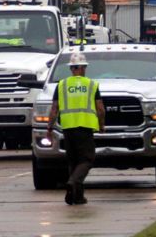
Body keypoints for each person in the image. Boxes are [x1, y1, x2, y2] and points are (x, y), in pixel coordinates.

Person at [46, 51, 106, 205]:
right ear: (83, 68)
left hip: (68, 127)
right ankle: (73, 182)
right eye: (84, 67)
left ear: (71, 68)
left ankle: (77, 197)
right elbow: (100, 108)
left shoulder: (62, 85)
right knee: (87, 159)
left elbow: (54, 109)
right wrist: (101, 125)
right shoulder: (91, 84)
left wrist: (49, 127)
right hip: (85, 127)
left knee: (73, 161)